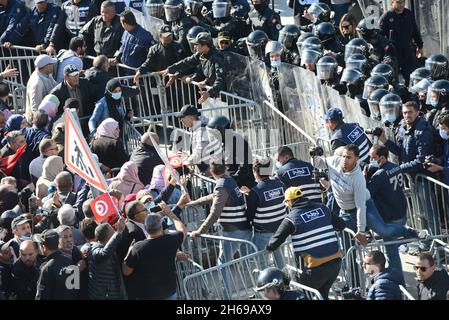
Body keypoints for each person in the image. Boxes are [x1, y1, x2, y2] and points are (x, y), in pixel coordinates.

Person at [267, 186, 342, 300]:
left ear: (291, 201)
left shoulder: (291, 218)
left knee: (302, 297)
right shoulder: (322, 208)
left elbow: (274, 243)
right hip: (335, 263)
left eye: (287, 202)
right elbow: (341, 225)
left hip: (316, 268)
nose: (287, 205)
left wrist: (267, 248)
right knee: (322, 296)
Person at [122, 208, 187, 300]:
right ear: (161, 226)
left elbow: (126, 271)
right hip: (169, 292)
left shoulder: (138, 248)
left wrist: (129, 252)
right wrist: (170, 214)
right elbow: (182, 230)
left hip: (147, 294)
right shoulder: (171, 240)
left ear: (145, 227)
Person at [365, 145, 408, 280]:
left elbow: (368, 193)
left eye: (373, 158)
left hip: (390, 218)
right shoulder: (396, 166)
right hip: (401, 212)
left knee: (392, 253)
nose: (370, 160)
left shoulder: (379, 175)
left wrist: (365, 176)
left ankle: (398, 281)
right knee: (395, 244)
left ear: (382, 158)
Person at [162, 32, 228, 105]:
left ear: (204, 46)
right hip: (211, 91)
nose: (194, 47)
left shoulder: (217, 58)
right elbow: (187, 61)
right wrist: (170, 69)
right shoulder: (201, 54)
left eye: (197, 45)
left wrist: (209, 93)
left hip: (222, 94)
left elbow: (221, 79)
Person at [244, 157, 286, 266]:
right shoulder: (280, 184)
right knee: (279, 257)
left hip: (263, 232)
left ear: (256, 172)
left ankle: (266, 282)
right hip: (280, 230)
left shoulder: (256, 191)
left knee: (262, 262)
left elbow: (250, 215)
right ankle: (284, 279)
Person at [379, 0, 424, 86]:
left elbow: (415, 31)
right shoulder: (386, 17)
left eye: (403, 2)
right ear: (392, 2)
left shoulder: (408, 14)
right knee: (393, 81)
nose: (401, 4)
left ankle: (411, 97)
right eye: (399, 2)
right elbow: (380, 37)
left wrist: (420, 46)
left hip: (408, 52)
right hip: (393, 54)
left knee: (412, 79)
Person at [34, 229, 80, 300]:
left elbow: (41, 296)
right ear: (58, 244)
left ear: (43, 247)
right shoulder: (69, 261)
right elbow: (76, 289)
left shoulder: (46, 268)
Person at [88, 218, 127, 300]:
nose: (114, 232)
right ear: (109, 237)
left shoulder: (109, 247)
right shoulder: (94, 250)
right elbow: (104, 253)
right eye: (113, 232)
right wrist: (118, 232)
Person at [50, 64, 97, 128]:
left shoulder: (85, 83)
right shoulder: (57, 92)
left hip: (87, 123)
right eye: (73, 75)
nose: (76, 77)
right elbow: (55, 113)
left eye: (77, 74)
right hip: (70, 127)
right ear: (66, 77)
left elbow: (95, 98)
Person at [176, 105, 210, 172]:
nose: (181, 120)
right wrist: (188, 156)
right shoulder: (195, 127)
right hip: (203, 167)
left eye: (182, 117)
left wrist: (189, 161)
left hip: (209, 169)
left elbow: (201, 150)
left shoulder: (202, 129)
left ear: (191, 118)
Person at [25, 55, 58, 124]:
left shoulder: (47, 74)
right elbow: (35, 107)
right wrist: (40, 124)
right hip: (40, 121)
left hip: (46, 117)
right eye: (51, 64)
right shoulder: (37, 83)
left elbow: (56, 87)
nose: (53, 66)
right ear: (46, 66)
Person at [425, 112, 449, 185]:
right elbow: (446, 157)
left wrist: (439, 168)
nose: (441, 131)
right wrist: (438, 160)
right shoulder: (446, 140)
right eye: (440, 128)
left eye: (443, 128)